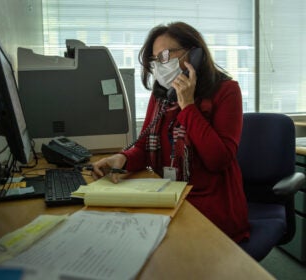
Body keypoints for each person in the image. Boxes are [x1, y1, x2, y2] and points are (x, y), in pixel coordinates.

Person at [92, 22, 250, 243]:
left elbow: (218, 159)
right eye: (155, 60)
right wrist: (122, 158)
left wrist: (188, 106)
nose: (159, 65)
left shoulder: (227, 91)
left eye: (165, 55)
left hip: (211, 208)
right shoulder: (161, 97)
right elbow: (144, 149)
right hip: (167, 198)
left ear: (194, 54)